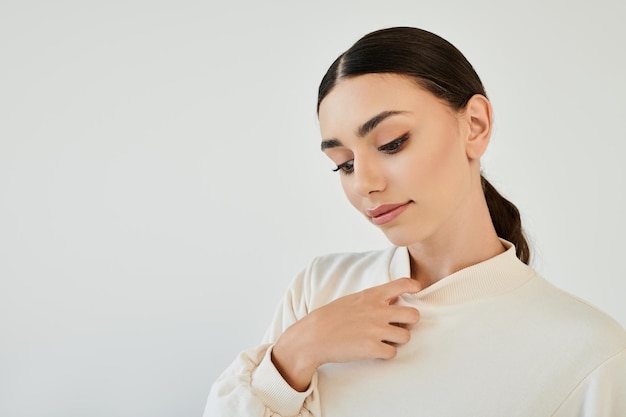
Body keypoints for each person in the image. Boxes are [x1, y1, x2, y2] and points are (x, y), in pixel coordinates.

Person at [203, 26, 626, 417]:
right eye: (344, 164)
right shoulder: (320, 289)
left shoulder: (591, 354)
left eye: (392, 143)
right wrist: (297, 350)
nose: (365, 183)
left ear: (475, 126)